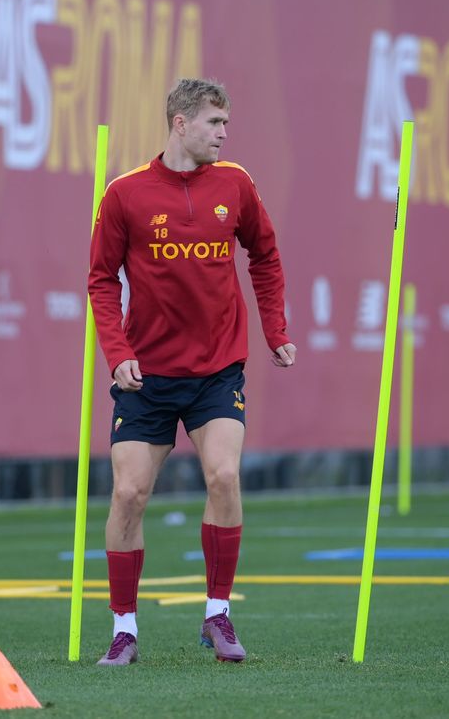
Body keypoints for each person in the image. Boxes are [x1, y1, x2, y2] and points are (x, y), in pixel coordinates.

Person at [88, 79, 296, 665]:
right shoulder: (125, 193)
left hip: (217, 370)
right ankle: (124, 628)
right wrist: (117, 352)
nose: (224, 134)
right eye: (214, 123)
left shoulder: (237, 184)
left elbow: (266, 256)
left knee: (224, 478)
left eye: (226, 124)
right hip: (146, 376)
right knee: (128, 493)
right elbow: (102, 280)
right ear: (180, 123)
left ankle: (218, 616)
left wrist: (275, 331)